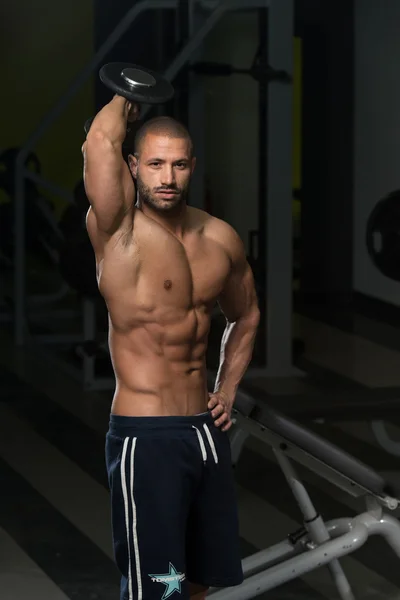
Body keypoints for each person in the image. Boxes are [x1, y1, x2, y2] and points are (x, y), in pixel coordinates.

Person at [82, 94, 260, 600]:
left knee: (200, 584)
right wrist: (124, 97)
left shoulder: (220, 238)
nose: (167, 176)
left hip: (204, 434)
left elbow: (245, 314)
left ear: (192, 167)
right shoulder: (117, 232)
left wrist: (225, 389)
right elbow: (99, 141)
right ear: (133, 167)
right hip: (146, 436)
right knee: (158, 591)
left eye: (178, 164)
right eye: (155, 163)